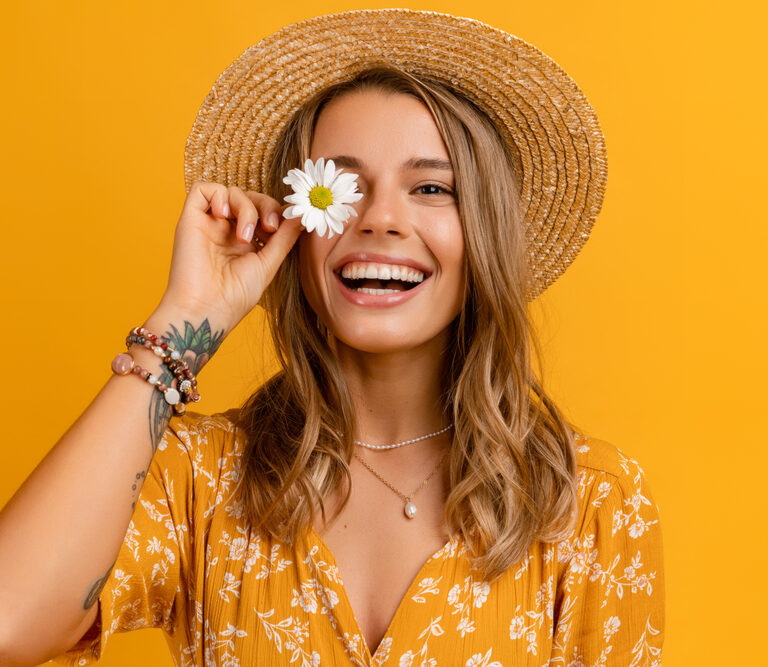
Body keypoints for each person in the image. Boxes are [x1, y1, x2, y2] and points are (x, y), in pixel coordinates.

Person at [0, 8, 664, 666]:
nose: (380, 218)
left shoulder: (594, 502)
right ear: (292, 223)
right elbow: (8, 621)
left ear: (483, 231)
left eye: (431, 187)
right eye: (340, 187)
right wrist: (183, 320)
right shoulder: (197, 479)